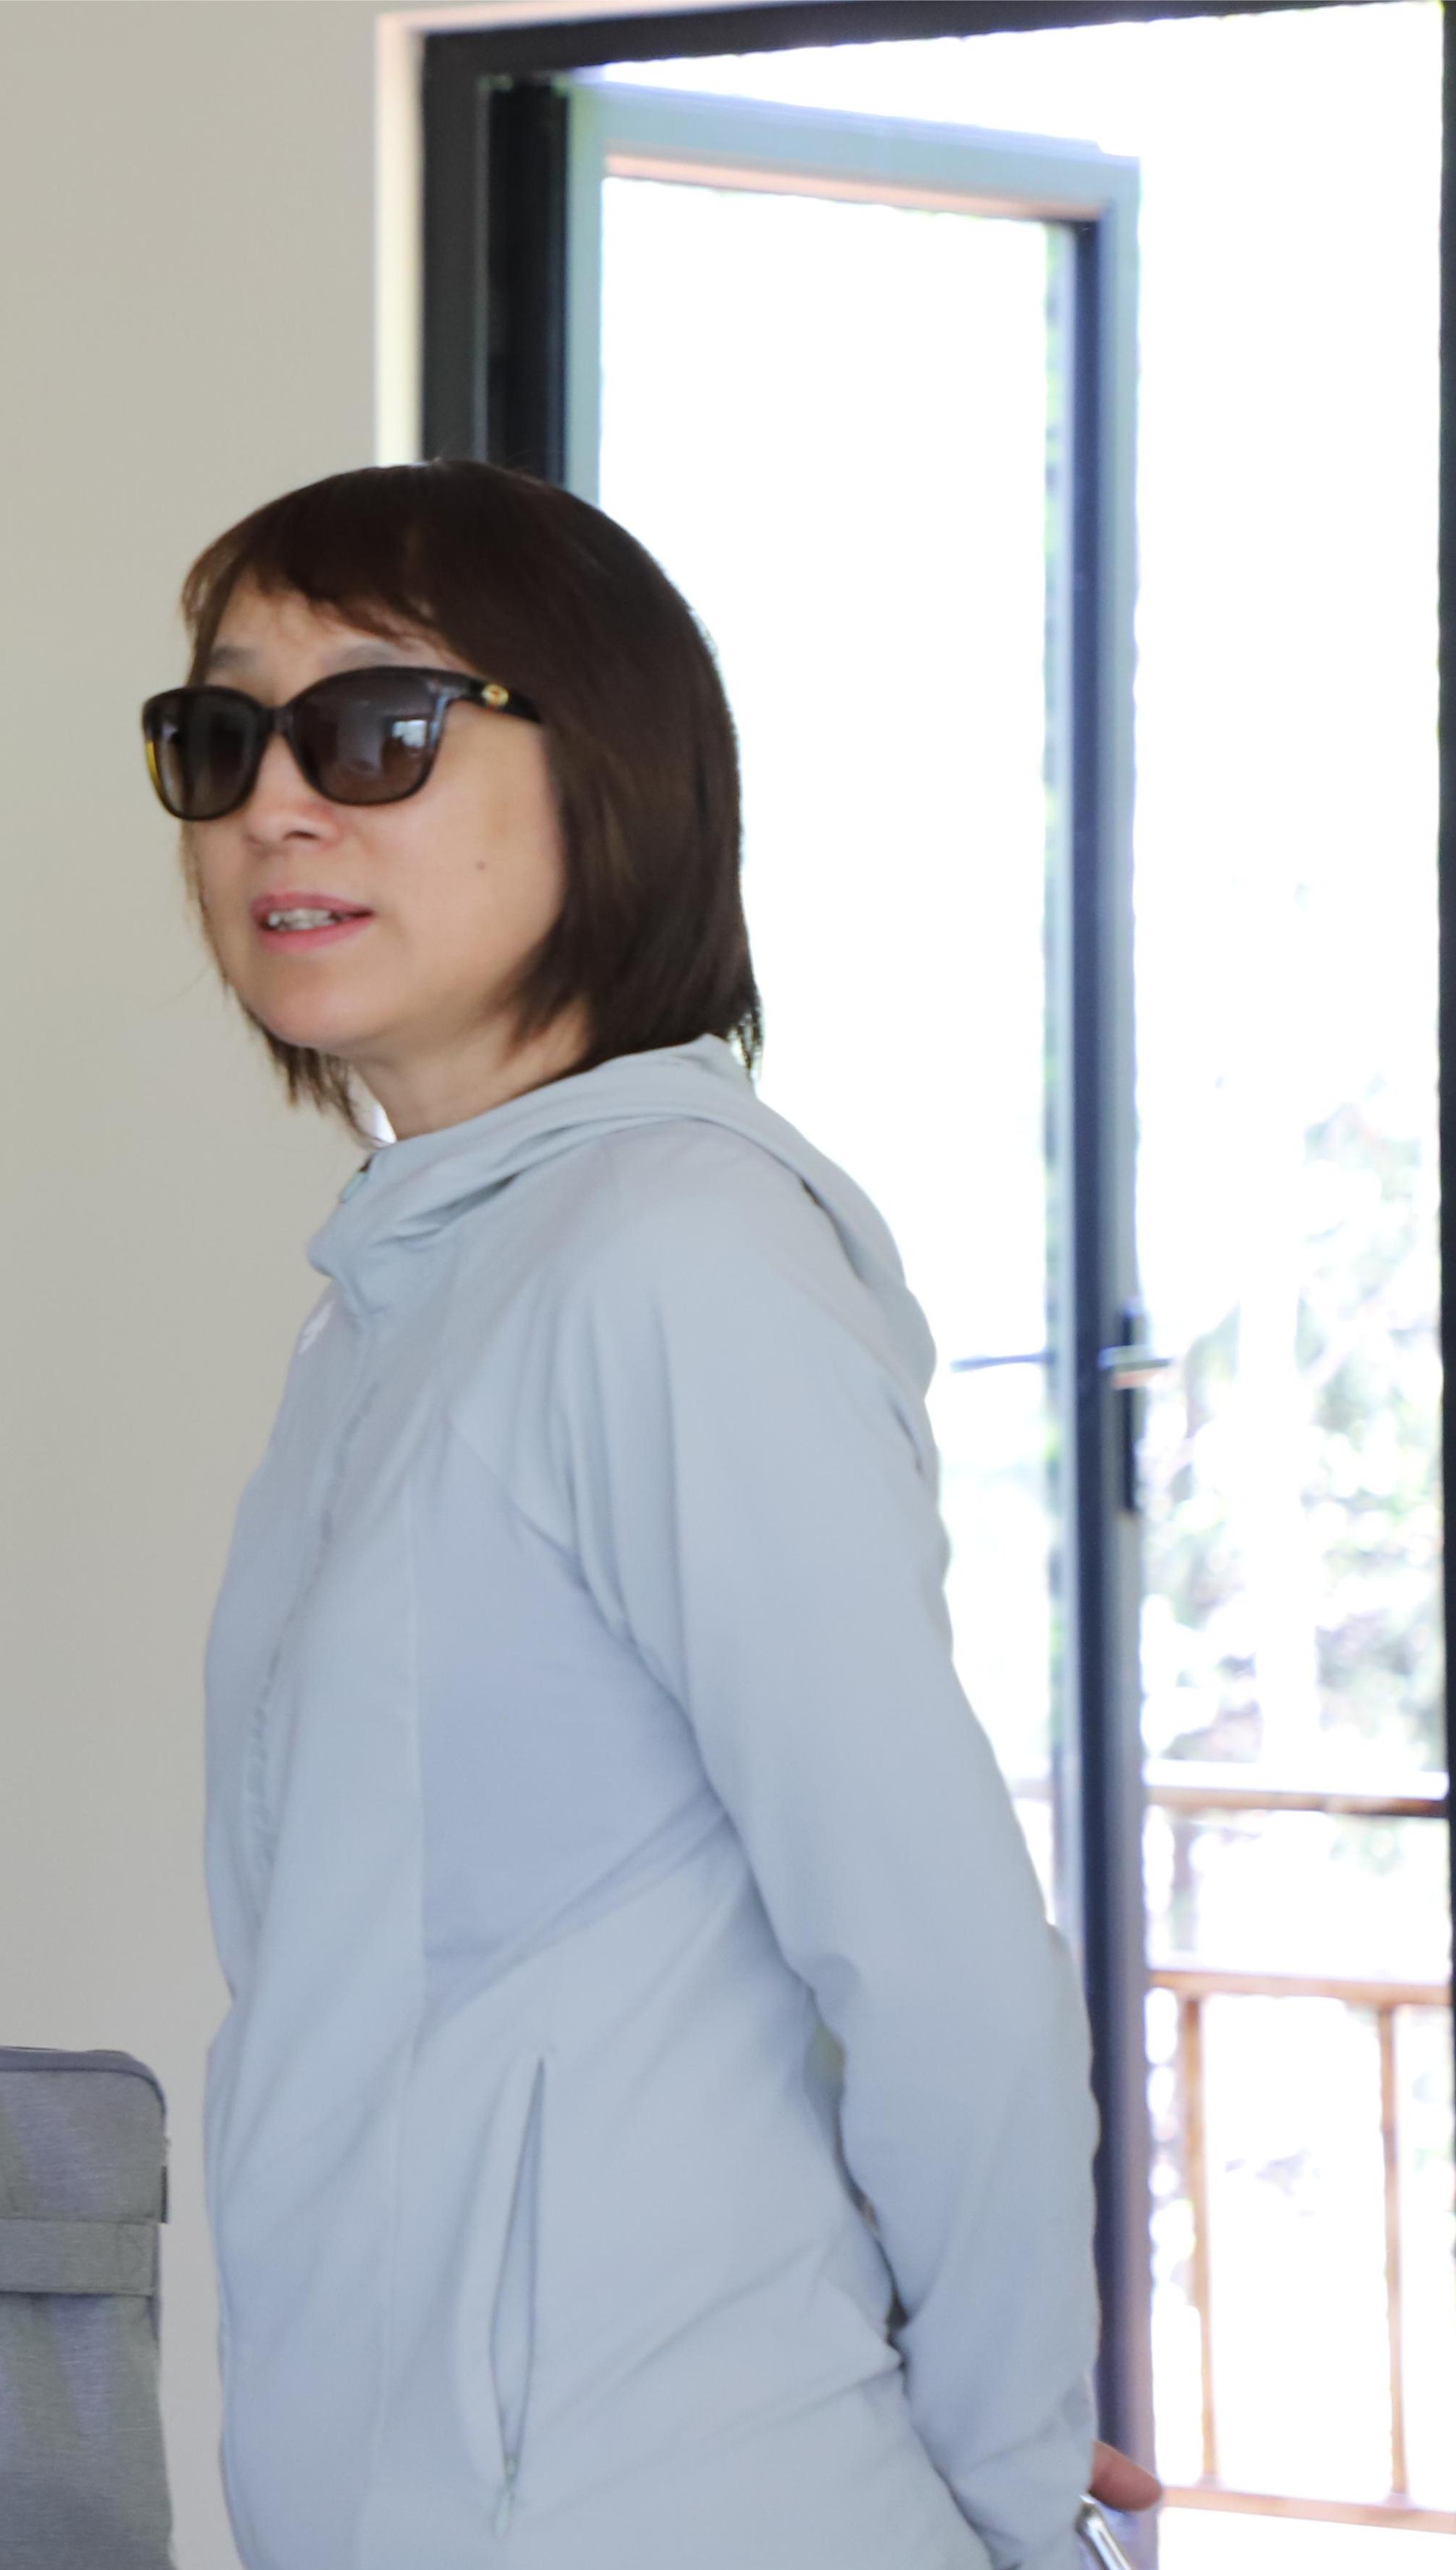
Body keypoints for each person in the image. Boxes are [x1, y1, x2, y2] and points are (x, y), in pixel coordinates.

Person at [167, 460, 1156, 2569]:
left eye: (374, 727)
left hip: (675, 2494)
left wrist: (1006, 2484)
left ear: (606, 770)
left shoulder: (672, 1256)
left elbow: (935, 1953)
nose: (275, 806)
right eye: (221, 736)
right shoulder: (407, 1290)